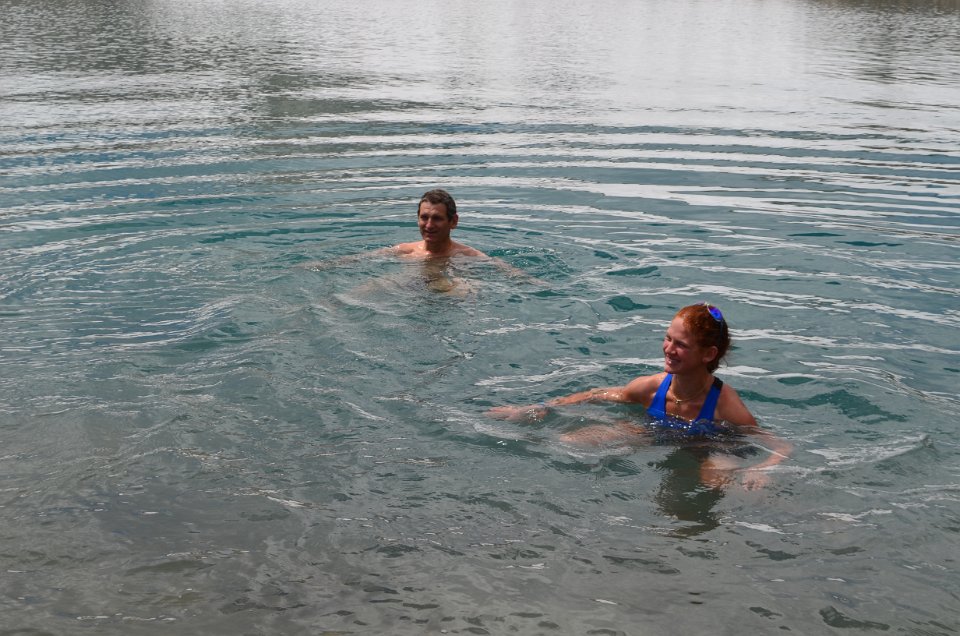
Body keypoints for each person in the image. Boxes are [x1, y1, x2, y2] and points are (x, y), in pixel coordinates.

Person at [486, 302, 791, 490]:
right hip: (657, 432)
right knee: (570, 441)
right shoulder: (653, 386)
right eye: (668, 338)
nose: (669, 349)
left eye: (681, 345)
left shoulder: (725, 403)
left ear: (708, 354)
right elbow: (598, 394)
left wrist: (762, 469)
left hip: (714, 443)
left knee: (711, 482)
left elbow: (780, 445)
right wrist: (540, 406)